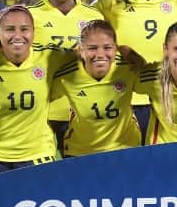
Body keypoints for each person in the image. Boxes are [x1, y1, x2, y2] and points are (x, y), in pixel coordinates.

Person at [93, 0, 177, 141]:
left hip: (167, 99)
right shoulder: (109, 2)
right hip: (123, 98)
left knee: (162, 165)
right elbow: (82, 29)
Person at [0, 6, 74, 174]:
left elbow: (87, 59)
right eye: (10, 29)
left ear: (33, 32)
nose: (17, 36)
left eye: (24, 29)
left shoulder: (50, 56)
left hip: (36, 154)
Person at [28, 0, 103, 152]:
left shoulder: (93, 16)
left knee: (78, 175)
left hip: (80, 111)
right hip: (39, 112)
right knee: (38, 176)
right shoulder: (29, 15)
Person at [49, 20, 142, 156]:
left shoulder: (129, 67)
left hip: (126, 148)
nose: (100, 54)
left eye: (107, 47)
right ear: (81, 51)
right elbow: (40, 98)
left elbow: (158, 82)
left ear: (116, 48)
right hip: (81, 152)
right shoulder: (67, 75)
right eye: (92, 48)